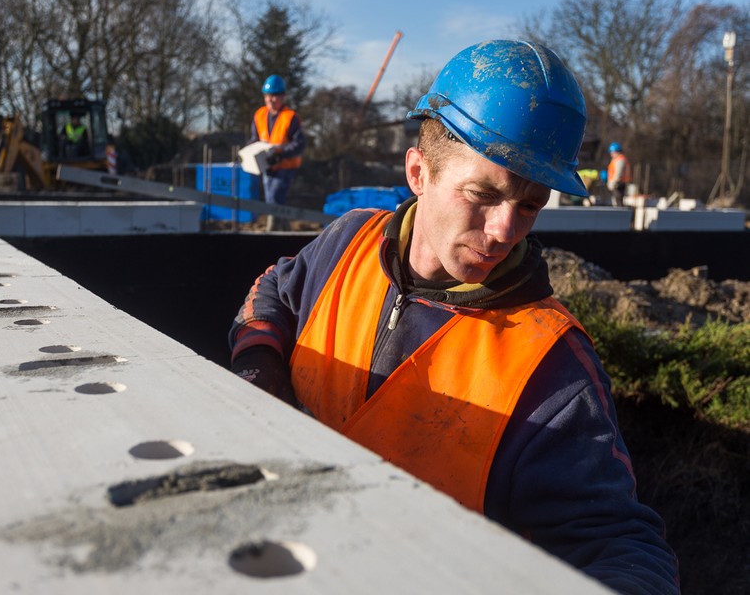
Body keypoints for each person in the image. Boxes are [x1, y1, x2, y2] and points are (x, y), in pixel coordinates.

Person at [229, 40, 679, 594]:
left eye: (531, 204)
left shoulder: (549, 366)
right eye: (483, 194)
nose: (504, 231)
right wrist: (258, 372)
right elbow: (274, 291)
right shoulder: (348, 242)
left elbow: (618, 544)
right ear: (419, 172)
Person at [249, 74, 306, 231]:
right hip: (267, 165)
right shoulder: (259, 115)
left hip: (285, 165)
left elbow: (299, 144)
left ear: (283, 96)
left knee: (274, 199)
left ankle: (272, 230)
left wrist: (280, 153)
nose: (271, 100)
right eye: (268, 96)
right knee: (272, 201)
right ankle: (284, 230)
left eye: (274, 96)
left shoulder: (291, 117)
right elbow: (254, 139)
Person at [607, 142, 632, 206]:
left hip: (618, 184)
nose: (611, 154)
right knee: (617, 201)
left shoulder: (620, 160)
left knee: (618, 201)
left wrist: (613, 183)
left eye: (612, 152)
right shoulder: (616, 159)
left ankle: (620, 214)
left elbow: (618, 173)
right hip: (618, 184)